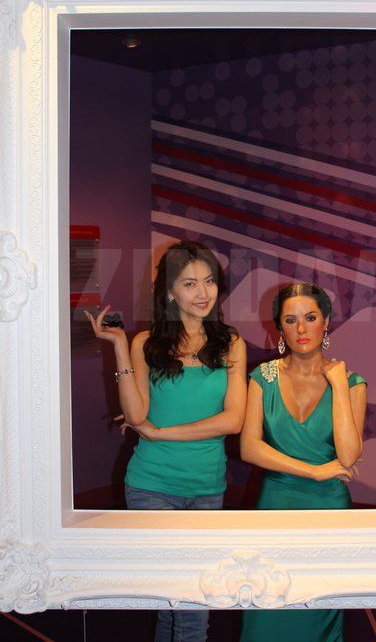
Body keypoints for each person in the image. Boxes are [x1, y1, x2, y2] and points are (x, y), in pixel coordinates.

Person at [85, 240, 247, 642]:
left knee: (181, 603)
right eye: (190, 284)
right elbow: (137, 415)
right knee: (185, 608)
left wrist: (161, 433)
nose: (203, 293)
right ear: (170, 292)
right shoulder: (145, 343)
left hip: (208, 487)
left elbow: (233, 420)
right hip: (151, 486)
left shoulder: (231, 344)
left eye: (209, 281)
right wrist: (120, 346)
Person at [240, 282, 367, 642]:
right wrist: (314, 470)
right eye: (290, 320)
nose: (301, 329)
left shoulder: (352, 383)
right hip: (275, 507)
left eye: (310, 318)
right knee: (265, 613)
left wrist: (338, 386)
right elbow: (249, 448)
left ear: (326, 322)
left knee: (318, 609)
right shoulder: (262, 378)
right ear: (279, 328)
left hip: (328, 511)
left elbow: (348, 455)